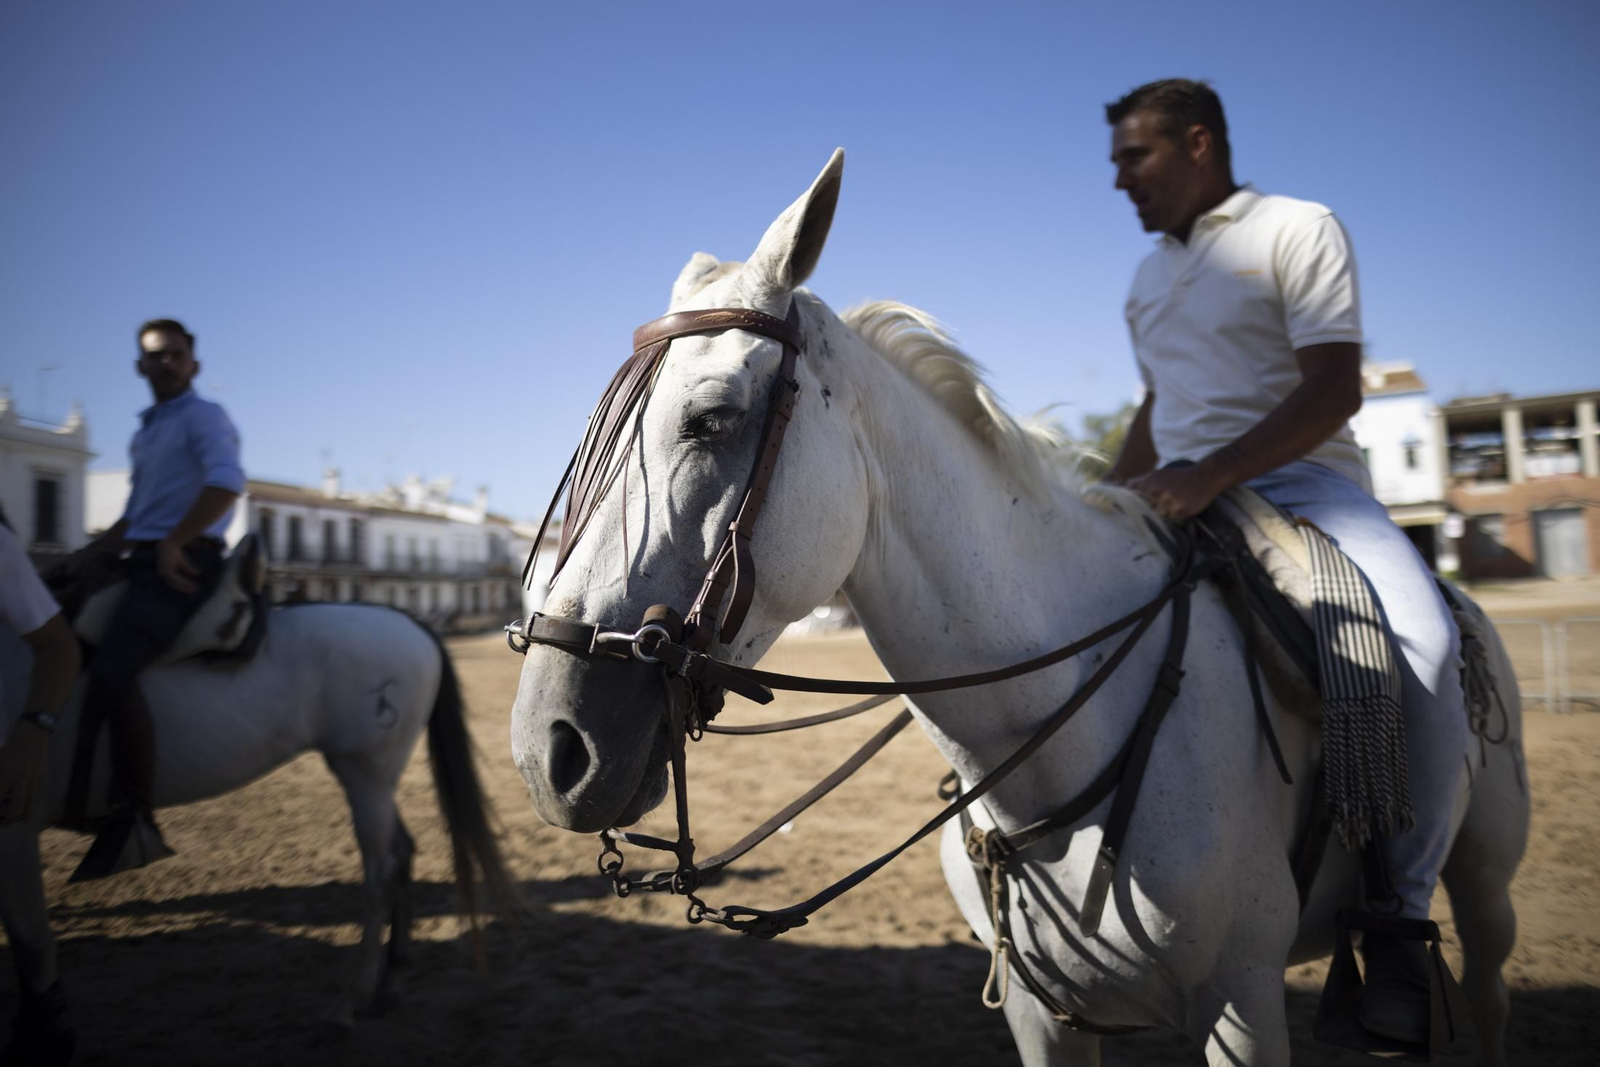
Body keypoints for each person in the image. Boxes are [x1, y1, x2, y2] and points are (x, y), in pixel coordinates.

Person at [1102, 79, 1467, 1044]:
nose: (1118, 180)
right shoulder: (1145, 279)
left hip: (1306, 487)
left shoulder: (1299, 228)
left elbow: (1336, 385)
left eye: (1133, 157)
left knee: (1425, 645)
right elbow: (1155, 404)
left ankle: (1398, 919)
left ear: (1197, 144)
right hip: (1175, 490)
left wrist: (1216, 469)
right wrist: (1106, 493)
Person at [64, 317, 244, 881]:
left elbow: (224, 483)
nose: (165, 363)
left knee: (114, 671)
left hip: (186, 560)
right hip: (141, 556)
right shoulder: (145, 431)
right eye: (155, 356)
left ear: (193, 363)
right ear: (140, 366)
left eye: (175, 354)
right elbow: (137, 513)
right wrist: (90, 554)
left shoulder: (203, 416)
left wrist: (174, 540)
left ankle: (134, 812)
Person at [0, 508, 81, 826]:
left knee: (118, 667)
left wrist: (34, 729)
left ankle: (131, 803)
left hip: (172, 557)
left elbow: (58, 646)